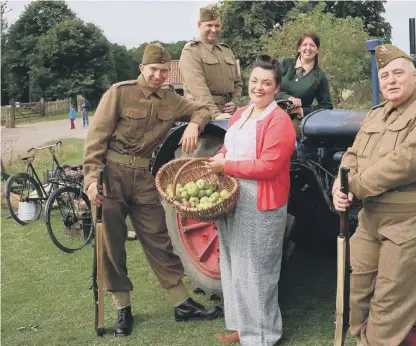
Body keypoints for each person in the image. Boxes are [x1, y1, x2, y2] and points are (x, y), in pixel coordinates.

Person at [83, 42, 223, 337]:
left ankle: (182, 304)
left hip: (144, 178)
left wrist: (193, 125)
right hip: (112, 175)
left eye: (163, 70)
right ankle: (123, 308)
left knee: (159, 239)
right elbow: (95, 139)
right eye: (154, 70)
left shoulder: (171, 99)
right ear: (141, 69)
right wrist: (92, 179)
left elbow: (203, 109)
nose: (159, 75)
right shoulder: (120, 93)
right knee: (113, 243)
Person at [331, 44, 416, 346]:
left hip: (413, 220)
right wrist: (340, 183)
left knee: (389, 302)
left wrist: (354, 188)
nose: (390, 79)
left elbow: (405, 163)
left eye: (398, 73)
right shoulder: (376, 115)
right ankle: (361, 338)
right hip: (372, 216)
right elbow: (352, 155)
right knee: (357, 291)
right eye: (384, 75)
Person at [204, 54, 296, 345]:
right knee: (233, 262)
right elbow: (228, 146)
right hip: (232, 196)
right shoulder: (240, 113)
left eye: (266, 83)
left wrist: (225, 166)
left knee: (258, 269)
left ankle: (264, 336)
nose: (258, 87)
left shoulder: (279, 121)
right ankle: (241, 327)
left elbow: (269, 166)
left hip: (261, 201)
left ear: (276, 88)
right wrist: (218, 157)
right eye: (254, 80)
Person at [179, 4, 243, 120]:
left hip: (228, 114)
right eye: (209, 25)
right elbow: (198, 88)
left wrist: (234, 102)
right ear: (199, 25)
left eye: (217, 26)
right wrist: (215, 114)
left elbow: (237, 83)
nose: (213, 30)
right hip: (201, 114)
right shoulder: (191, 51)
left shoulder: (226, 51)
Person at [275, 33, 333, 135]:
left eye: (312, 45)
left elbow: (327, 105)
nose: (308, 48)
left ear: (317, 49)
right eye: (304, 45)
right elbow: (271, 88)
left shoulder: (319, 76)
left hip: (296, 120)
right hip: (274, 112)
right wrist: (288, 98)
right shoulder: (284, 63)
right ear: (299, 48)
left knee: (289, 136)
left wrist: (304, 111)